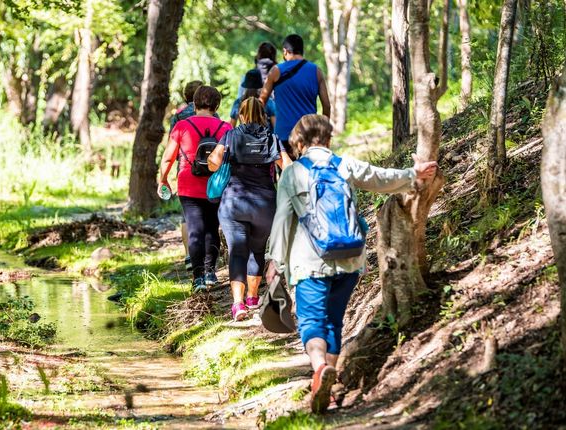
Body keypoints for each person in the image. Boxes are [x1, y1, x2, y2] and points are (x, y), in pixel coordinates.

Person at [265, 115, 438, 413]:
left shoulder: (292, 173)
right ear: (329, 139)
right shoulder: (344, 165)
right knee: (333, 320)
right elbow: (379, 178)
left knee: (311, 321)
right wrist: (414, 174)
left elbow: (282, 220)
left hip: (310, 264)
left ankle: (319, 369)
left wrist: (274, 261)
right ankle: (328, 390)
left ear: (299, 143)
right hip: (349, 260)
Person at [208, 97, 291, 321]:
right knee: (257, 250)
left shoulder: (231, 135)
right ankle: (253, 297)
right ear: (263, 115)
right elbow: (289, 167)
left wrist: (214, 158)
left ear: (242, 115)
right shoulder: (271, 138)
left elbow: (214, 162)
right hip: (265, 204)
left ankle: (238, 304)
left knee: (238, 251)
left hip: (234, 203)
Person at [159, 86, 232, 291]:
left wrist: (163, 180)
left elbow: (168, 158)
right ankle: (210, 273)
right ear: (216, 105)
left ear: (194, 103)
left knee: (195, 230)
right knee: (212, 228)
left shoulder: (182, 125)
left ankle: (198, 277)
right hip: (216, 186)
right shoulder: (225, 128)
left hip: (188, 185)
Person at [260, 34, 331, 158]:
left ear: (285, 51)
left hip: (283, 136)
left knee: (286, 175)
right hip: (309, 134)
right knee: (309, 173)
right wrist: (324, 133)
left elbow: (261, 102)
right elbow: (327, 106)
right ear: (302, 51)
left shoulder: (276, 71)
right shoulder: (316, 71)